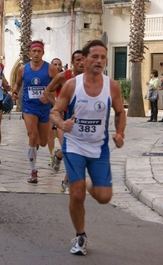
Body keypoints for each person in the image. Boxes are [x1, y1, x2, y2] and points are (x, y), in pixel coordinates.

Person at [50, 40, 126, 256]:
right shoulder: (73, 85)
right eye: (95, 57)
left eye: (103, 57)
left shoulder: (112, 86)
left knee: (104, 197)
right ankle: (80, 235)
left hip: (99, 147)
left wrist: (120, 134)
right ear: (84, 59)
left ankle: (89, 182)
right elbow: (55, 111)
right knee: (77, 195)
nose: (99, 61)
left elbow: (120, 112)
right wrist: (61, 123)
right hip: (74, 145)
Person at [12, 40, 59, 183]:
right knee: (32, 135)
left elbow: (60, 85)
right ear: (30, 53)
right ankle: (32, 171)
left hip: (45, 108)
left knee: (43, 142)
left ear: (43, 53)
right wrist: (14, 91)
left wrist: (50, 97)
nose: (36, 54)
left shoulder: (50, 69)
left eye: (39, 51)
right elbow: (18, 83)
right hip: (29, 106)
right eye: (34, 51)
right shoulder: (23, 69)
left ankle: (44, 148)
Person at [42, 49, 84, 194]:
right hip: (62, 119)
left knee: (77, 152)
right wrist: (57, 106)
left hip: (80, 120)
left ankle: (65, 179)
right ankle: (61, 160)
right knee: (69, 149)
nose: (81, 62)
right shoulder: (63, 76)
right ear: (72, 63)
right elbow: (47, 92)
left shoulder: (90, 78)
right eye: (77, 60)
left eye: (83, 59)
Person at [46, 57, 64, 167]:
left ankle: (59, 154)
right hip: (50, 107)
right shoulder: (48, 77)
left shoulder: (64, 77)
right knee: (50, 133)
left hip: (62, 110)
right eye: (55, 64)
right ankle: (52, 155)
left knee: (60, 134)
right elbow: (46, 91)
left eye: (59, 64)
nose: (57, 66)